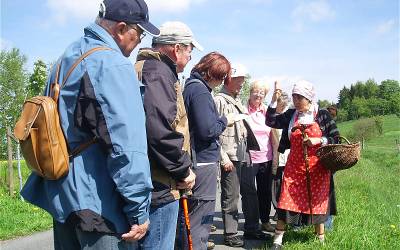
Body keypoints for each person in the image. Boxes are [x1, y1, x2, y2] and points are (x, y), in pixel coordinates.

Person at [20, 0, 159, 249]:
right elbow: (126, 145)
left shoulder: (65, 58)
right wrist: (139, 209)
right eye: (139, 32)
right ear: (121, 28)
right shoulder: (112, 64)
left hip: (62, 197)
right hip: (99, 207)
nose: (140, 40)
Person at [134, 21, 202, 250]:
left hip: (148, 177)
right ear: (177, 49)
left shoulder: (146, 68)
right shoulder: (159, 73)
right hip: (160, 183)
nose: (190, 58)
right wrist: (183, 170)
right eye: (190, 51)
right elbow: (159, 131)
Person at [266, 80, 339, 250]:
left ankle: (320, 241)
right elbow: (270, 121)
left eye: (300, 97)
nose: (296, 101)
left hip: (318, 168)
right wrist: (273, 101)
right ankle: (277, 241)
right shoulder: (292, 114)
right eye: (294, 97)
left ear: (309, 98)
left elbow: (335, 138)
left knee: (318, 202)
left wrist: (319, 140)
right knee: (286, 200)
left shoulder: (322, 115)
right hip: (294, 167)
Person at [177, 52, 232, 250]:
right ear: (210, 72)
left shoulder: (191, 87)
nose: (221, 81)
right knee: (200, 217)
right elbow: (207, 130)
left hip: (197, 159)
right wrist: (225, 120)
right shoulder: (200, 91)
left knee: (190, 217)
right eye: (221, 76)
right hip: (203, 161)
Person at [214, 64, 269, 247]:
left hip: (244, 153)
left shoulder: (235, 100)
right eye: (239, 80)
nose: (241, 84)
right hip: (230, 155)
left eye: (243, 80)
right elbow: (213, 132)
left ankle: (252, 228)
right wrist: (223, 157)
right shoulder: (220, 100)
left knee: (250, 192)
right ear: (228, 79)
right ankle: (230, 233)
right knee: (231, 195)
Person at [246, 80, 275, 232]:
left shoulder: (267, 112)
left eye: (262, 93)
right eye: (256, 92)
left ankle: (265, 221)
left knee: (265, 191)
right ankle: (251, 223)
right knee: (249, 192)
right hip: (249, 157)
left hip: (267, 158)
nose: (258, 95)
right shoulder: (244, 110)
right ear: (250, 93)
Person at [270, 92, 291, 220]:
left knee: (287, 185)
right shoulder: (273, 119)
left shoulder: (288, 117)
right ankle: (278, 210)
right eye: (281, 106)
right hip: (277, 158)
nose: (282, 108)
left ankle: (285, 211)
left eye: (285, 106)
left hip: (288, 157)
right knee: (276, 185)